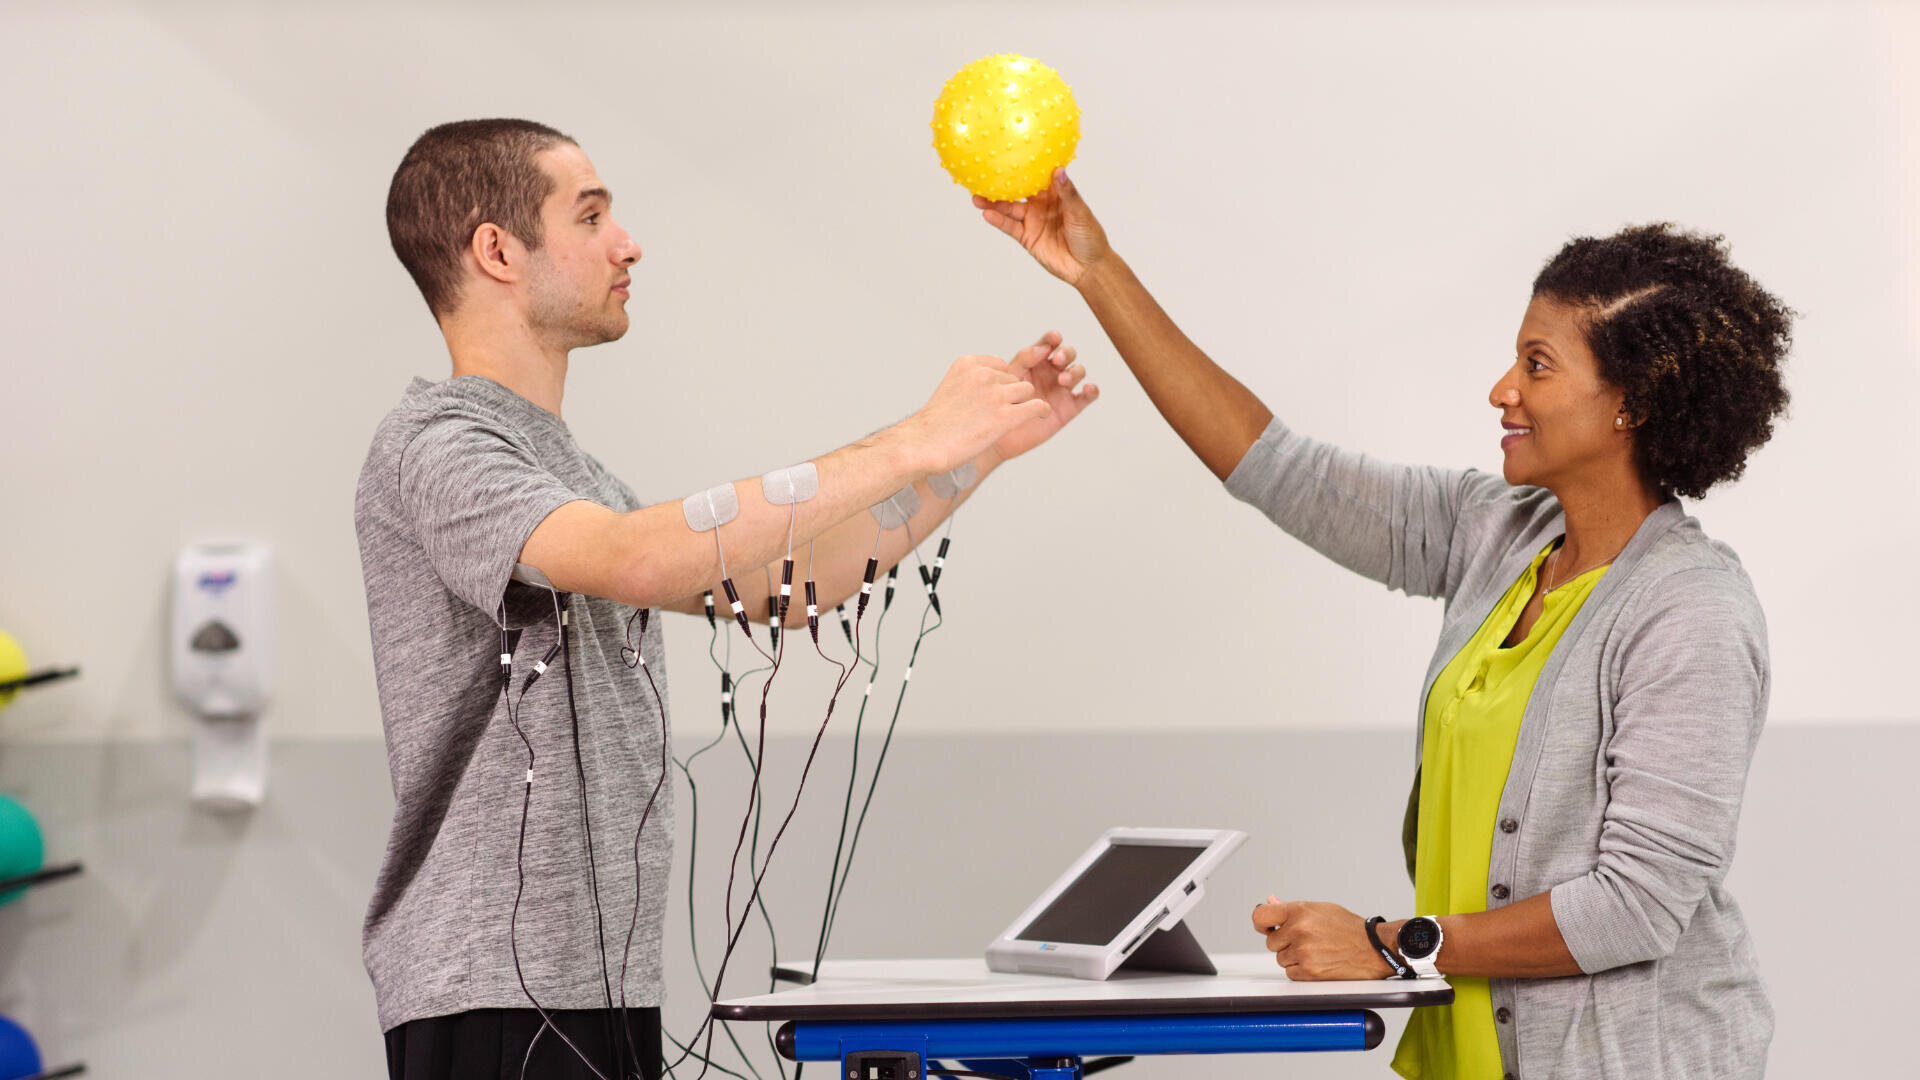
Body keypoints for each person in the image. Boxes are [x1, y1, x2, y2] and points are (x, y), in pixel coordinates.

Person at [972, 169, 1788, 1079]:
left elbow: (1636, 907)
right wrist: (1097, 270)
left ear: (1631, 403)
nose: (1501, 390)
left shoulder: (1691, 611)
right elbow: (1277, 467)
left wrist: (1393, 944)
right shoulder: (1498, 533)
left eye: (1538, 364)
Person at [356, 119, 1098, 1080]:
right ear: (497, 250)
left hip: (599, 986)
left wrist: (970, 454)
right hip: (493, 993)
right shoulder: (439, 444)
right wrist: (913, 436)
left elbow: (789, 589)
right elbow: (630, 557)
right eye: (591, 215)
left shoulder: (571, 472)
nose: (629, 242)